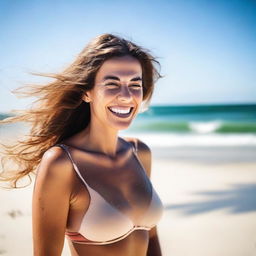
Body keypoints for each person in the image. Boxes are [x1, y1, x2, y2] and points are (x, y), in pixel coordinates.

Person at [0, 33, 164, 256]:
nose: (126, 96)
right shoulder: (61, 163)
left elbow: (152, 239)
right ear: (87, 92)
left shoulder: (139, 153)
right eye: (112, 83)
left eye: (135, 84)